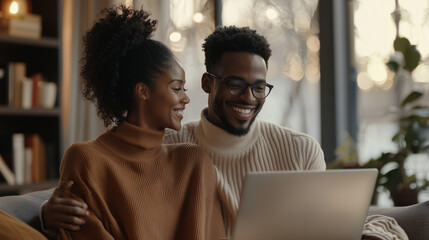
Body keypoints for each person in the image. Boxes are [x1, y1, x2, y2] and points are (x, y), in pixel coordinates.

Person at [48, 5, 225, 240]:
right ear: (143, 91)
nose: (186, 98)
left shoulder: (194, 162)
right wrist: (44, 216)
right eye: (176, 88)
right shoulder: (85, 160)